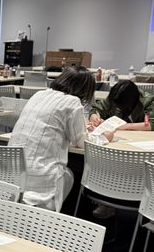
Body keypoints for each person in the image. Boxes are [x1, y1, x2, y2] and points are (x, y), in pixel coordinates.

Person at [9, 67, 105, 212]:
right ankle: (59, 217)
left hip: (13, 172)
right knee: (70, 175)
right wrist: (103, 137)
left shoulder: (39, 94)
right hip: (40, 176)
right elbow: (81, 142)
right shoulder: (72, 102)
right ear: (85, 89)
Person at [88, 79, 154, 131]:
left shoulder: (148, 101)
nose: (117, 108)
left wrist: (126, 126)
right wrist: (94, 117)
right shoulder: (115, 97)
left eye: (120, 106)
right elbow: (96, 109)